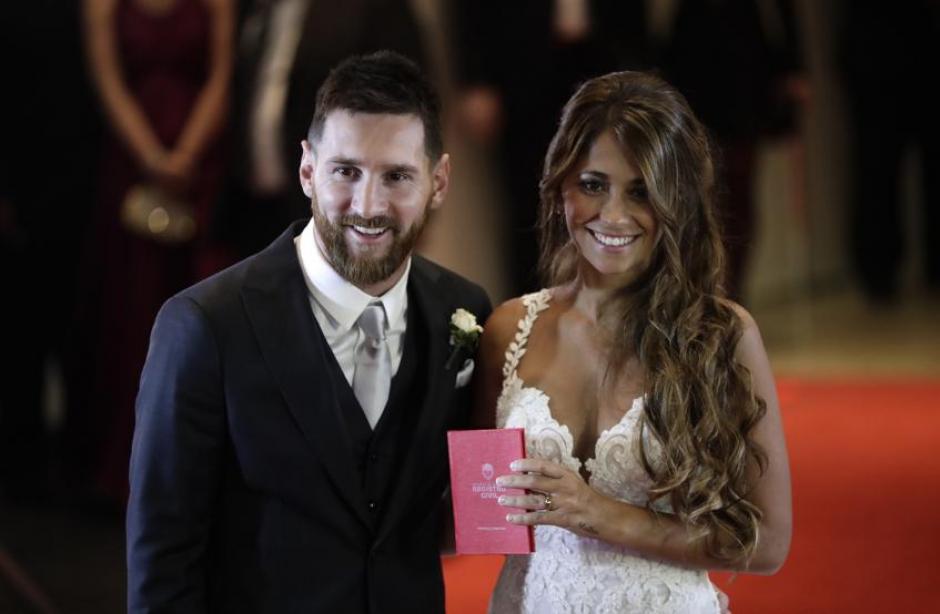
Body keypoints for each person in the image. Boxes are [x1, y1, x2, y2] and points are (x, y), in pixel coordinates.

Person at [126, 51, 492, 613]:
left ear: (438, 182)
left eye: (396, 176)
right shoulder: (205, 326)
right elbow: (164, 558)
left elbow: (465, 514)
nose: (367, 206)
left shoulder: (465, 312)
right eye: (346, 171)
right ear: (306, 171)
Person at [474, 71, 792, 613]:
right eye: (593, 184)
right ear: (560, 184)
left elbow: (766, 542)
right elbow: (480, 516)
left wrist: (597, 513)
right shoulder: (508, 329)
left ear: (678, 201)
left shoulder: (722, 335)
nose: (613, 215)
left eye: (641, 191)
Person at [73, 0, 234, 504]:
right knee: (130, 310)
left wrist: (186, 155)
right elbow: (107, 79)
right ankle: (125, 467)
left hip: (200, 165)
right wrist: (150, 156)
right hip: (132, 164)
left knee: (201, 316)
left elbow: (222, 75)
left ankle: (196, 470)